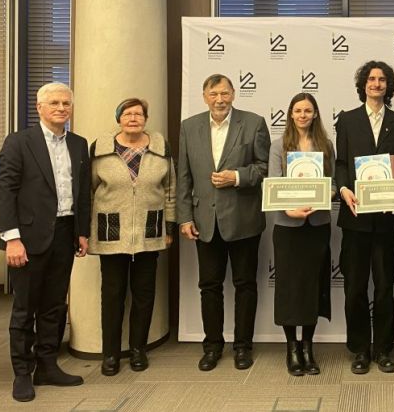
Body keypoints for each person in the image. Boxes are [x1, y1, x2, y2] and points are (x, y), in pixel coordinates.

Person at [0, 82, 90, 402]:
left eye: (66, 103)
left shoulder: (78, 144)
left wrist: (82, 231)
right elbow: (6, 191)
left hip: (65, 233)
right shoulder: (19, 142)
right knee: (25, 308)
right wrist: (12, 238)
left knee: (54, 305)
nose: (61, 108)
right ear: (39, 107)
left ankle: (47, 366)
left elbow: (82, 193)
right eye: (54, 103)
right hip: (27, 238)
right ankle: (23, 372)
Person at [177, 73, 270, 371]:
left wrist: (238, 177)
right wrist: (184, 217)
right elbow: (183, 176)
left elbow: (265, 168)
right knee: (209, 287)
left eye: (225, 93)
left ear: (233, 94)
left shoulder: (254, 123)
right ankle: (212, 346)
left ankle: (243, 347)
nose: (220, 100)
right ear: (205, 97)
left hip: (244, 220)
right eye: (214, 94)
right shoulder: (189, 127)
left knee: (245, 285)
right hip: (205, 221)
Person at [335, 60, 394, 374]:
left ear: (388, 85)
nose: (376, 83)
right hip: (354, 218)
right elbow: (341, 163)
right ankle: (359, 350)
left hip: (386, 221)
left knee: (383, 288)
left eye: (382, 79)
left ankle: (382, 350)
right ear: (363, 84)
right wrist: (343, 189)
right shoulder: (347, 120)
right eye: (371, 79)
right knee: (354, 288)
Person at [89, 98, 176, 376]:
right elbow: (89, 191)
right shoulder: (100, 149)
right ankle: (111, 354)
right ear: (119, 119)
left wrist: (169, 227)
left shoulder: (161, 149)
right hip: (111, 232)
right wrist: (85, 231)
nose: (133, 118)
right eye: (127, 114)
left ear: (145, 119)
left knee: (144, 295)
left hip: (150, 232)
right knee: (112, 296)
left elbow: (170, 190)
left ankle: (139, 349)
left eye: (138, 114)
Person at [268, 93, 334, 376]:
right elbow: (272, 184)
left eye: (308, 110)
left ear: (315, 114)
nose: (303, 115)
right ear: (291, 114)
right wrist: (288, 209)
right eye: (298, 111)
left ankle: (308, 347)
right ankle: (291, 348)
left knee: (312, 287)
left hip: (317, 226)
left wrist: (324, 197)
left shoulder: (326, 145)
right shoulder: (278, 146)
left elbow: (334, 183)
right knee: (289, 288)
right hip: (288, 227)